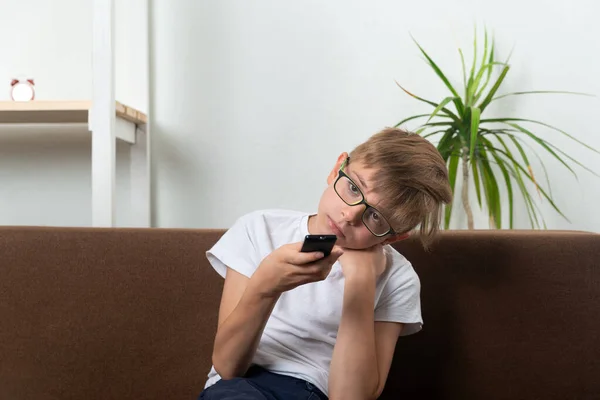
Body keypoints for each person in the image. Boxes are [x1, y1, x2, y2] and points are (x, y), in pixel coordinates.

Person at [198, 127, 453, 400]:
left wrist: (361, 281)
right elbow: (227, 366)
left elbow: (349, 397)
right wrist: (265, 286)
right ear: (336, 169)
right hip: (241, 388)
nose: (349, 215)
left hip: (314, 391)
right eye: (354, 188)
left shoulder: (398, 277)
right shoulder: (259, 229)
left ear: (392, 238)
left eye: (376, 217)